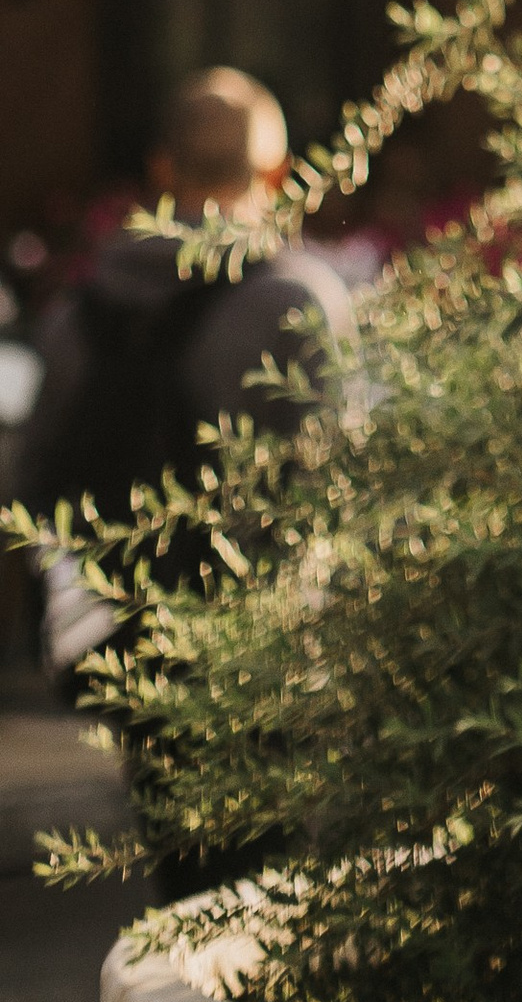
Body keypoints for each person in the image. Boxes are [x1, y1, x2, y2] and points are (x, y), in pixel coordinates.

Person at [22, 68, 354, 685]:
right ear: (278, 173)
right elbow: (337, 480)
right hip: (263, 652)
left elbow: (36, 472)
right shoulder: (299, 304)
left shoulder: (83, 308)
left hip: (114, 649)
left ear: (161, 168)